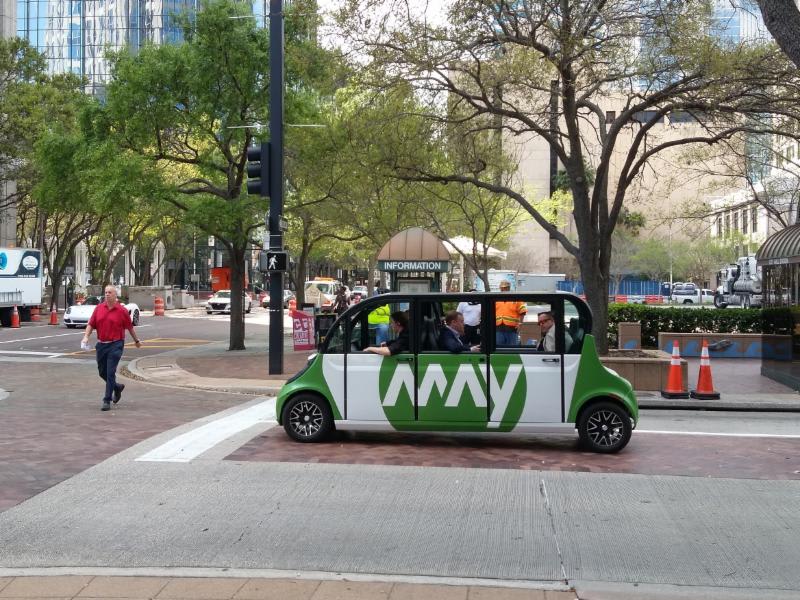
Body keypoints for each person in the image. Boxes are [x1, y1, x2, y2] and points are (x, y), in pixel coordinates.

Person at [82, 284, 142, 411]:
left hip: (116, 344)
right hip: (102, 344)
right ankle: (117, 387)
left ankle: (107, 400)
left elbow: (130, 327)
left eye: (110, 292)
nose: (107, 294)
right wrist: (86, 337)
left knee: (110, 372)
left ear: (115, 295)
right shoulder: (99, 308)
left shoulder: (122, 311)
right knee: (102, 372)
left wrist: (136, 340)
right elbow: (91, 324)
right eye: (106, 292)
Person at [494, 280, 527, 346]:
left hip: (512, 329)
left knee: (512, 349)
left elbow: (522, 311)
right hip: (498, 329)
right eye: (502, 288)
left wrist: (520, 324)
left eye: (505, 288)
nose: (503, 289)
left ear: (509, 288)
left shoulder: (516, 298)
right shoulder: (496, 299)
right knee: (499, 349)